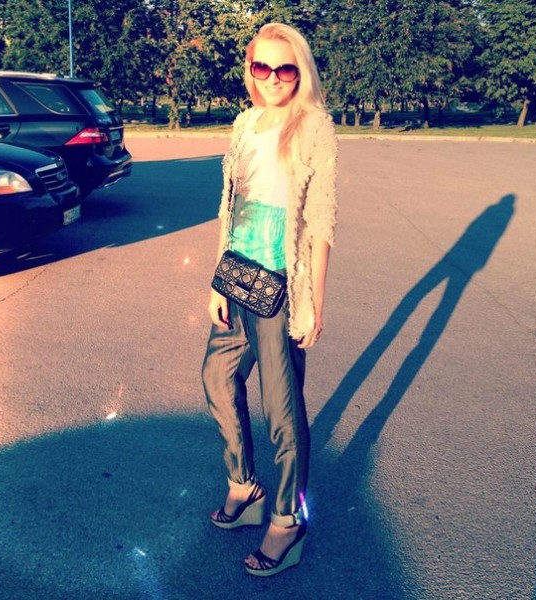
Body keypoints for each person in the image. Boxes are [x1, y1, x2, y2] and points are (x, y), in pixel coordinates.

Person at [201, 22, 338, 577]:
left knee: (282, 413)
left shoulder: (314, 126)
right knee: (217, 379)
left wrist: (314, 304)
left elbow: (321, 220)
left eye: (286, 68)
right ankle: (244, 486)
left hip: (282, 284)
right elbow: (229, 206)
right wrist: (216, 279)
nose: (274, 78)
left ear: (300, 72)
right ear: (250, 71)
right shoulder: (245, 123)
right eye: (263, 67)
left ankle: (286, 521)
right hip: (237, 276)